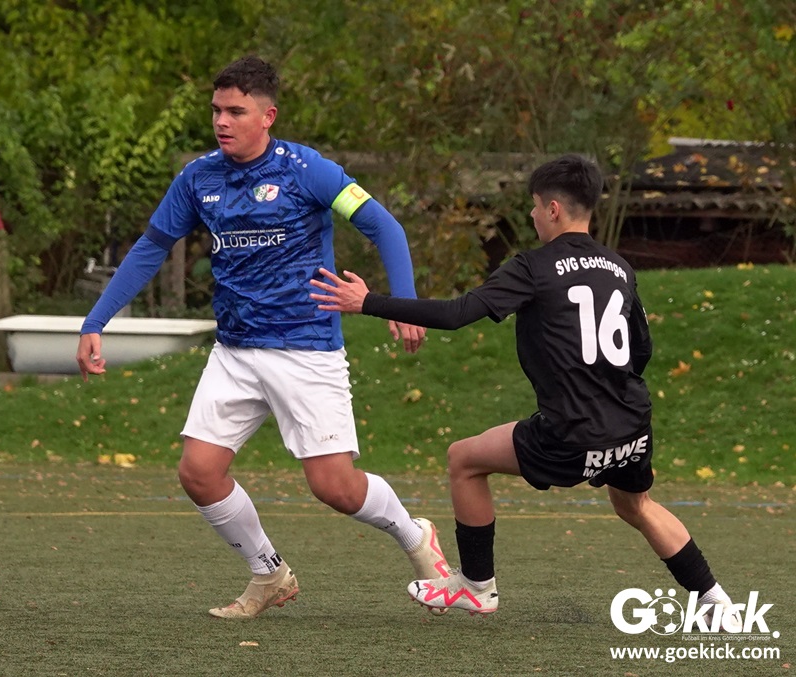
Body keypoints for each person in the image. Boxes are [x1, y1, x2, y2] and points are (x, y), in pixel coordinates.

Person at [76, 55, 449, 619]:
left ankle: (415, 535)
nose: (221, 122)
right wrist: (95, 321)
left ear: (267, 116)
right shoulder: (198, 178)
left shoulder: (308, 170)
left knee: (335, 488)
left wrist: (405, 304)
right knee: (198, 472)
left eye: (235, 111)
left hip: (306, 348)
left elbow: (384, 226)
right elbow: (152, 247)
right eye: (216, 111)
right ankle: (269, 574)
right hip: (235, 352)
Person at [309, 153, 742, 629]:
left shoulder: (534, 267)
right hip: (631, 424)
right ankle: (715, 601)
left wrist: (369, 302)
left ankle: (477, 587)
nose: (533, 215)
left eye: (535, 206)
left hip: (572, 431)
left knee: (464, 460)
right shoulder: (619, 268)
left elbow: (457, 314)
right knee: (636, 505)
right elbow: (642, 351)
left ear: (553, 209)